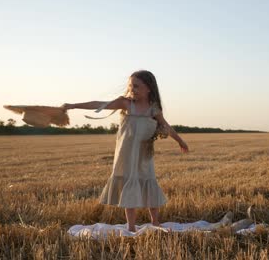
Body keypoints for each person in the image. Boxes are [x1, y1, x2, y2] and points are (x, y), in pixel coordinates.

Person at [62, 70, 189, 232]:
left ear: (148, 88)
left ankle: (155, 221)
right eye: (130, 86)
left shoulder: (153, 109)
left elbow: (166, 126)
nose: (132, 89)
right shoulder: (126, 103)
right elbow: (99, 104)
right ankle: (131, 227)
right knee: (129, 184)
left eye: (136, 86)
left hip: (144, 154)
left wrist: (180, 141)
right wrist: (73, 106)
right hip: (126, 154)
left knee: (149, 182)